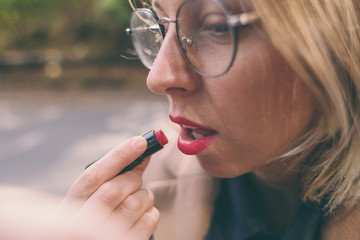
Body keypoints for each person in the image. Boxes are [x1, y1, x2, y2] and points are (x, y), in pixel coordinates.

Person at [125, 0, 360, 239]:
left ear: (334, 39)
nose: (157, 78)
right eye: (160, 28)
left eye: (218, 27)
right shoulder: (135, 200)